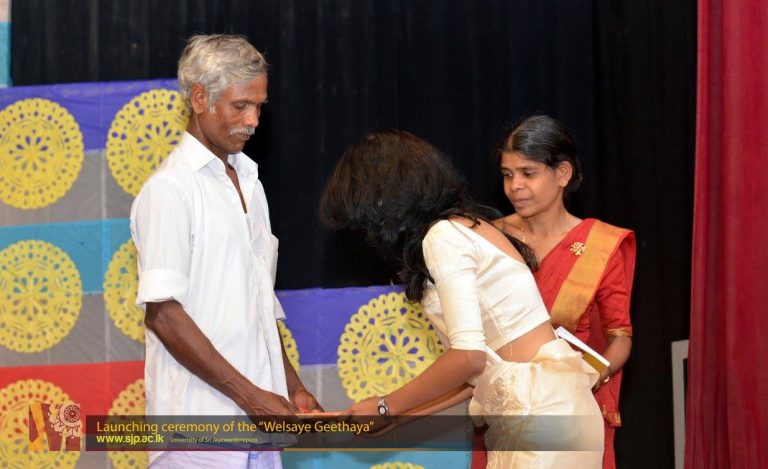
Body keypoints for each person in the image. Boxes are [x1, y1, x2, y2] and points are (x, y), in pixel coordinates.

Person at [320, 129, 604, 467]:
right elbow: (477, 376)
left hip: (538, 415)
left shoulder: (442, 236)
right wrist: (396, 416)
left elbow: (468, 358)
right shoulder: (470, 227)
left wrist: (386, 406)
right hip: (554, 406)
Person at [130, 34, 321, 468]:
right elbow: (163, 314)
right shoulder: (169, 190)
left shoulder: (251, 184)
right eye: (241, 106)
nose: (253, 120)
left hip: (260, 428)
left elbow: (258, 305)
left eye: (259, 107)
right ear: (200, 98)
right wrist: (251, 397)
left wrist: (290, 386)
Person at [493, 115, 635, 469]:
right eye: (508, 175)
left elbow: (620, 337)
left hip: (569, 411)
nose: (515, 186)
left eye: (528, 173)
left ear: (563, 174)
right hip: (505, 407)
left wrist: (589, 378)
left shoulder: (599, 245)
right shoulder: (491, 238)